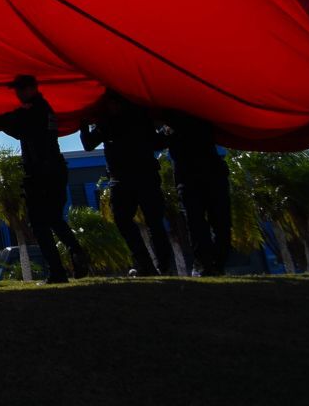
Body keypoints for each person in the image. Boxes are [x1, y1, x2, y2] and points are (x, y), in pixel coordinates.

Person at [0, 75, 89, 283]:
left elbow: (17, 129)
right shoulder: (45, 109)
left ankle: (57, 271)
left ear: (32, 88)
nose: (17, 94)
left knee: (39, 223)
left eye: (20, 89)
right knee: (54, 218)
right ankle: (77, 251)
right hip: (55, 168)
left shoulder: (36, 110)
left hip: (41, 172)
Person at [80, 91, 175, 276]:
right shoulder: (128, 120)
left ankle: (154, 265)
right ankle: (154, 265)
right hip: (134, 177)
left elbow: (88, 144)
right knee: (144, 222)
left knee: (142, 221)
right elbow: (158, 142)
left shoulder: (115, 122)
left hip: (132, 177)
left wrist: (83, 124)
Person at [162, 110, 231, 276]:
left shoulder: (198, 119)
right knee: (200, 224)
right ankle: (209, 264)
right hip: (194, 180)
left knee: (214, 223)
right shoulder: (173, 126)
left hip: (206, 177)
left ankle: (213, 263)